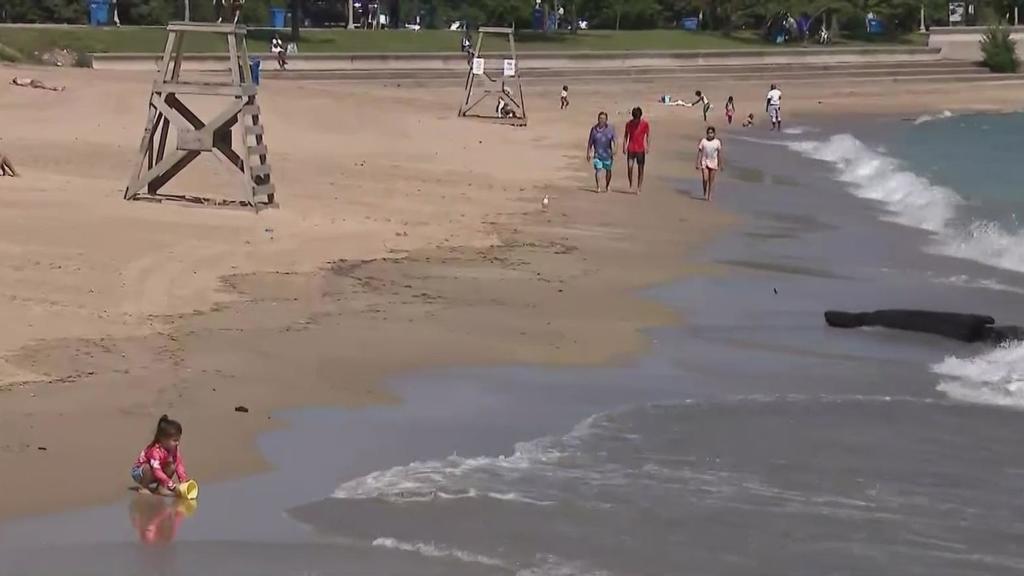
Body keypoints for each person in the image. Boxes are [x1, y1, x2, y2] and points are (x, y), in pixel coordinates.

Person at [131, 415, 190, 496]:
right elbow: (156, 470)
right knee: (149, 467)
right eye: (175, 440)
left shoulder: (174, 448)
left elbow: (178, 463)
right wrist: (170, 483)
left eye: (178, 440)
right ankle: (144, 487)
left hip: (156, 471)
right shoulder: (154, 451)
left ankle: (161, 488)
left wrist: (183, 479)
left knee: (172, 466)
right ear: (163, 439)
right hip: (139, 473)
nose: (177, 443)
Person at [586, 111, 616, 193]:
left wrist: (615, 148)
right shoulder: (594, 129)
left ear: (606, 120)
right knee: (598, 169)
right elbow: (590, 142)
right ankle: (598, 186)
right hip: (597, 154)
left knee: (608, 170)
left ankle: (607, 185)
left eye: (603, 118)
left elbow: (614, 140)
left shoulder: (610, 129)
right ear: (598, 119)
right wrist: (588, 153)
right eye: (600, 118)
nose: (602, 120)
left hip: (608, 154)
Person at [623, 106, 650, 195]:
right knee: (629, 168)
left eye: (637, 119)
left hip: (640, 150)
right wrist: (624, 146)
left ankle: (639, 187)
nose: (636, 120)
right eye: (635, 118)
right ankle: (630, 183)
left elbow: (648, 135)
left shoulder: (645, 124)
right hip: (631, 149)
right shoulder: (629, 124)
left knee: (640, 169)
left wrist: (648, 146)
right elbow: (626, 135)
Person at [696, 126, 723, 201]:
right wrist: (697, 163)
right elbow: (699, 152)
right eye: (708, 133)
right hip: (704, 161)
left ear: (714, 134)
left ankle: (709, 195)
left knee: (711, 180)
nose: (710, 134)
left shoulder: (717, 142)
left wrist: (721, 164)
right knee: (705, 178)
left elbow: (719, 154)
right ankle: (704, 190)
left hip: (714, 162)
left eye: (711, 133)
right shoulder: (703, 141)